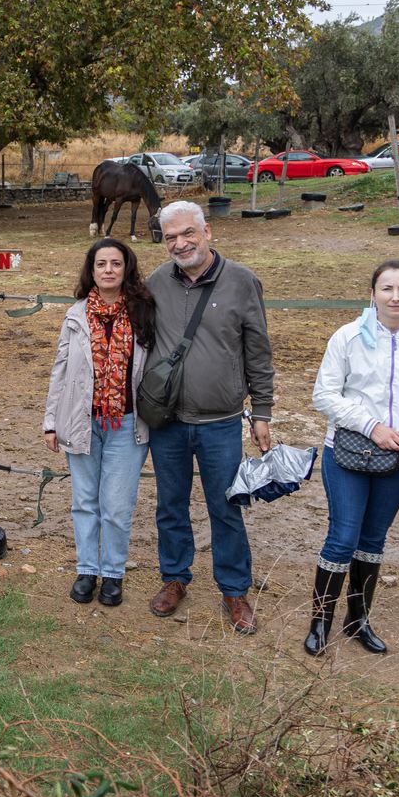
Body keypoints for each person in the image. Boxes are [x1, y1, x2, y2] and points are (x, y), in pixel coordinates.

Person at [307, 260, 399, 656]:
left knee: (373, 539)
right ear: (372, 294)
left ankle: (358, 622)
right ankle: (320, 621)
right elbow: (325, 394)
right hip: (349, 452)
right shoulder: (348, 337)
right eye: (386, 288)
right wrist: (372, 426)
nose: (395, 296)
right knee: (343, 537)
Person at [145, 201, 274, 635]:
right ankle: (175, 578)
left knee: (226, 507)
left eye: (187, 233)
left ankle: (235, 590)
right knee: (170, 505)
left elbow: (258, 351)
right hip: (169, 421)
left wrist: (262, 412)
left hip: (220, 421)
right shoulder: (156, 283)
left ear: (207, 232)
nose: (180, 243)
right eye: (170, 237)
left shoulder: (241, 281)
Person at [43, 239, 156, 607]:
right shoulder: (76, 315)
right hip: (81, 421)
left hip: (127, 423)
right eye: (101, 264)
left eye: (116, 264)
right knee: (84, 501)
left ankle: (113, 573)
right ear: (91, 270)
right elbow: (60, 369)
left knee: (117, 505)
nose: (108, 270)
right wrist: (50, 421)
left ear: (127, 269)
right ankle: (87, 569)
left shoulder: (143, 312)